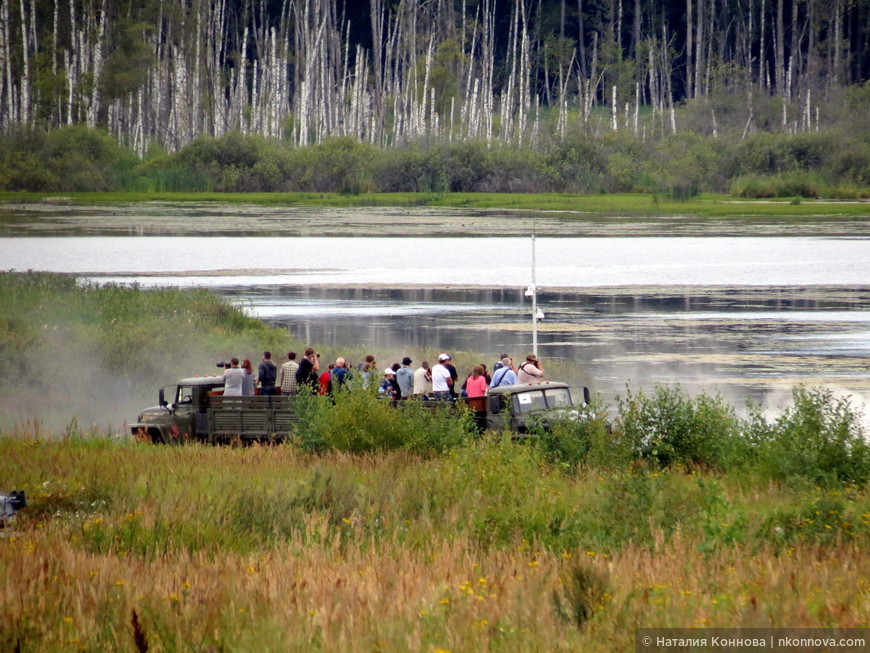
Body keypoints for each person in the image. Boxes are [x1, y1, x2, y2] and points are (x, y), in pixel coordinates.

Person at [464, 365, 489, 433]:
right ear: (482, 372)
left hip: (471, 403)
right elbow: (483, 389)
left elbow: (467, 390)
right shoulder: (482, 378)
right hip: (480, 403)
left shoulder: (469, 379)